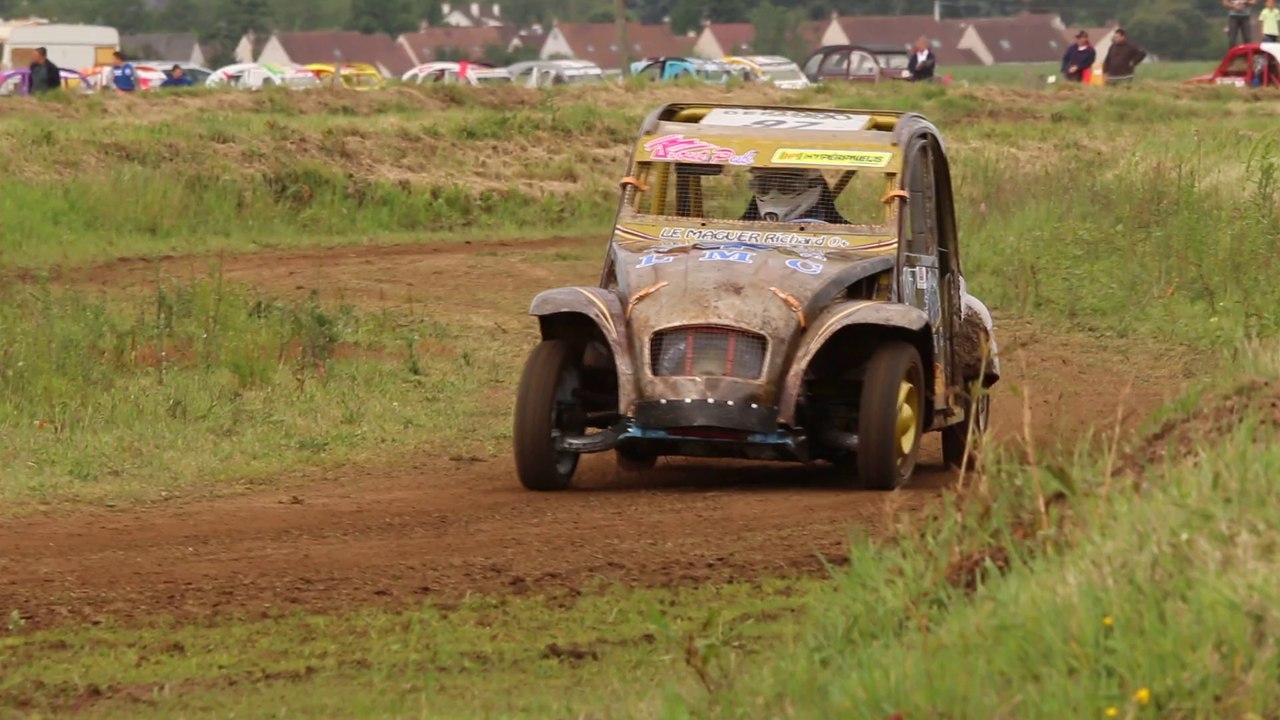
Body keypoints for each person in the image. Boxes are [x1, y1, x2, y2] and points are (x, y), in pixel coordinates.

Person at [740, 168, 850, 225]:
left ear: (813, 186)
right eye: (763, 187)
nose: (773, 196)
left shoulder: (842, 233)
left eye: (786, 186)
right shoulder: (736, 231)